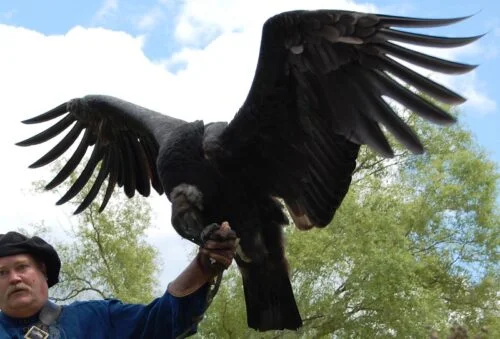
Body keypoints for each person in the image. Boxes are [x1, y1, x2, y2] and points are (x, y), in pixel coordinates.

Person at [0, 222, 237, 338]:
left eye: (22, 267)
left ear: (42, 270)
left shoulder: (97, 318)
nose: (14, 278)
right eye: (1, 273)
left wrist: (201, 269)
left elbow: (159, 323)